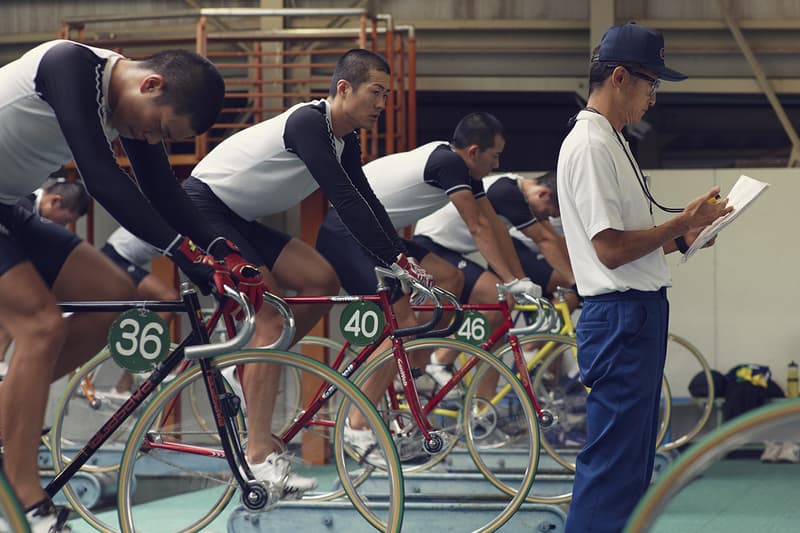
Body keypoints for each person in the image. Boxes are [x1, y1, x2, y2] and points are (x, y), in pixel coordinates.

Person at [0, 39, 264, 531]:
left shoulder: (131, 105)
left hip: (8, 207)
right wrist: (184, 253)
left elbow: (164, 191)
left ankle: (7, 419)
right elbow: (100, 177)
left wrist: (226, 254)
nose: (148, 136)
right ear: (151, 84)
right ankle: (25, 499)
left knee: (116, 300)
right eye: (158, 128)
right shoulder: (70, 65)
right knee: (40, 327)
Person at [182, 48, 433, 498]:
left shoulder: (344, 138)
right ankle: (258, 453)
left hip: (240, 218)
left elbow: (367, 198)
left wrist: (399, 255)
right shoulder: (308, 124)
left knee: (321, 280)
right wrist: (393, 261)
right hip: (204, 208)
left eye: (386, 96)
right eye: (376, 93)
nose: (382, 104)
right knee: (271, 320)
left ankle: (248, 361)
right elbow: (345, 201)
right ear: (343, 88)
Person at [556, 23, 732, 532]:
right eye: (650, 84)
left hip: (635, 311)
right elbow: (608, 250)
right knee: (612, 466)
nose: (653, 98)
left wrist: (689, 233)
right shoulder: (590, 145)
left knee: (630, 465)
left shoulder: (611, 141)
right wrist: (680, 223)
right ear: (619, 77)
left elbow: (632, 237)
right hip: (619, 315)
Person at [315, 112, 541, 456]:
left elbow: (494, 225)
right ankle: (357, 425)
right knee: (402, 323)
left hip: (380, 235)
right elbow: (478, 228)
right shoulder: (448, 163)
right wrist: (511, 280)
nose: (499, 163)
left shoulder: (465, 169)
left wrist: (518, 278)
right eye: (495, 156)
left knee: (449, 278)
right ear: (475, 152)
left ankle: (415, 371)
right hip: (347, 234)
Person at [411, 170, 576, 386]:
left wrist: (520, 279)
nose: (549, 218)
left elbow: (552, 238)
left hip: (449, 249)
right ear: (543, 194)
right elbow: (544, 239)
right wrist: (575, 282)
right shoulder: (507, 191)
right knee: (499, 300)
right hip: (431, 246)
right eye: (550, 212)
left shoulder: (517, 190)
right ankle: (441, 359)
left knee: (499, 317)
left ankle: (482, 408)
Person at [0, 179, 92, 370]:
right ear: (55, 201)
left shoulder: (30, 209)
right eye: (65, 220)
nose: (63, 227)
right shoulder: (20, 203)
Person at [100, 226, 180, 397]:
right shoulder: (178, 217)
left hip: (119, 259)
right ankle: (152, 363)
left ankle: (124, 386)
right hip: (114, 259)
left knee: (159, 307)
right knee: (169, 299)